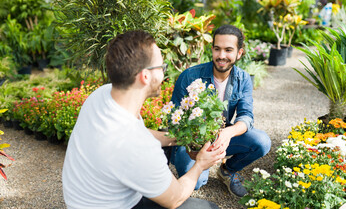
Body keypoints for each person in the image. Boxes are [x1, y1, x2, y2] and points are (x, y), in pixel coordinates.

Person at [62, 30, 225, 209]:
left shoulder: (101, 96)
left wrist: (175, 138)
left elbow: (140, 132)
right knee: (207, 208)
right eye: (162, 68)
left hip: (85, 201)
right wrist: (201, 164)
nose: (165, 74)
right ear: (145, 76)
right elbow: (175, 198)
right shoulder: (138, 146)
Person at [170, 25, 271, 197]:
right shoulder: (189, 76)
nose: (221, 56)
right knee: (196, 183)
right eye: (217, 49)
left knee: (262, 142)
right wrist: (192, 143)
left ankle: (227, 170)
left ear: (239, 53)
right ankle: (202, 165)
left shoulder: (243, 78)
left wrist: (228, 133)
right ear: (212, 49)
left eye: (228, 50)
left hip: (221, 136)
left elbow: (246, 116)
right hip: (192, 142)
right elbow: (174, 119)